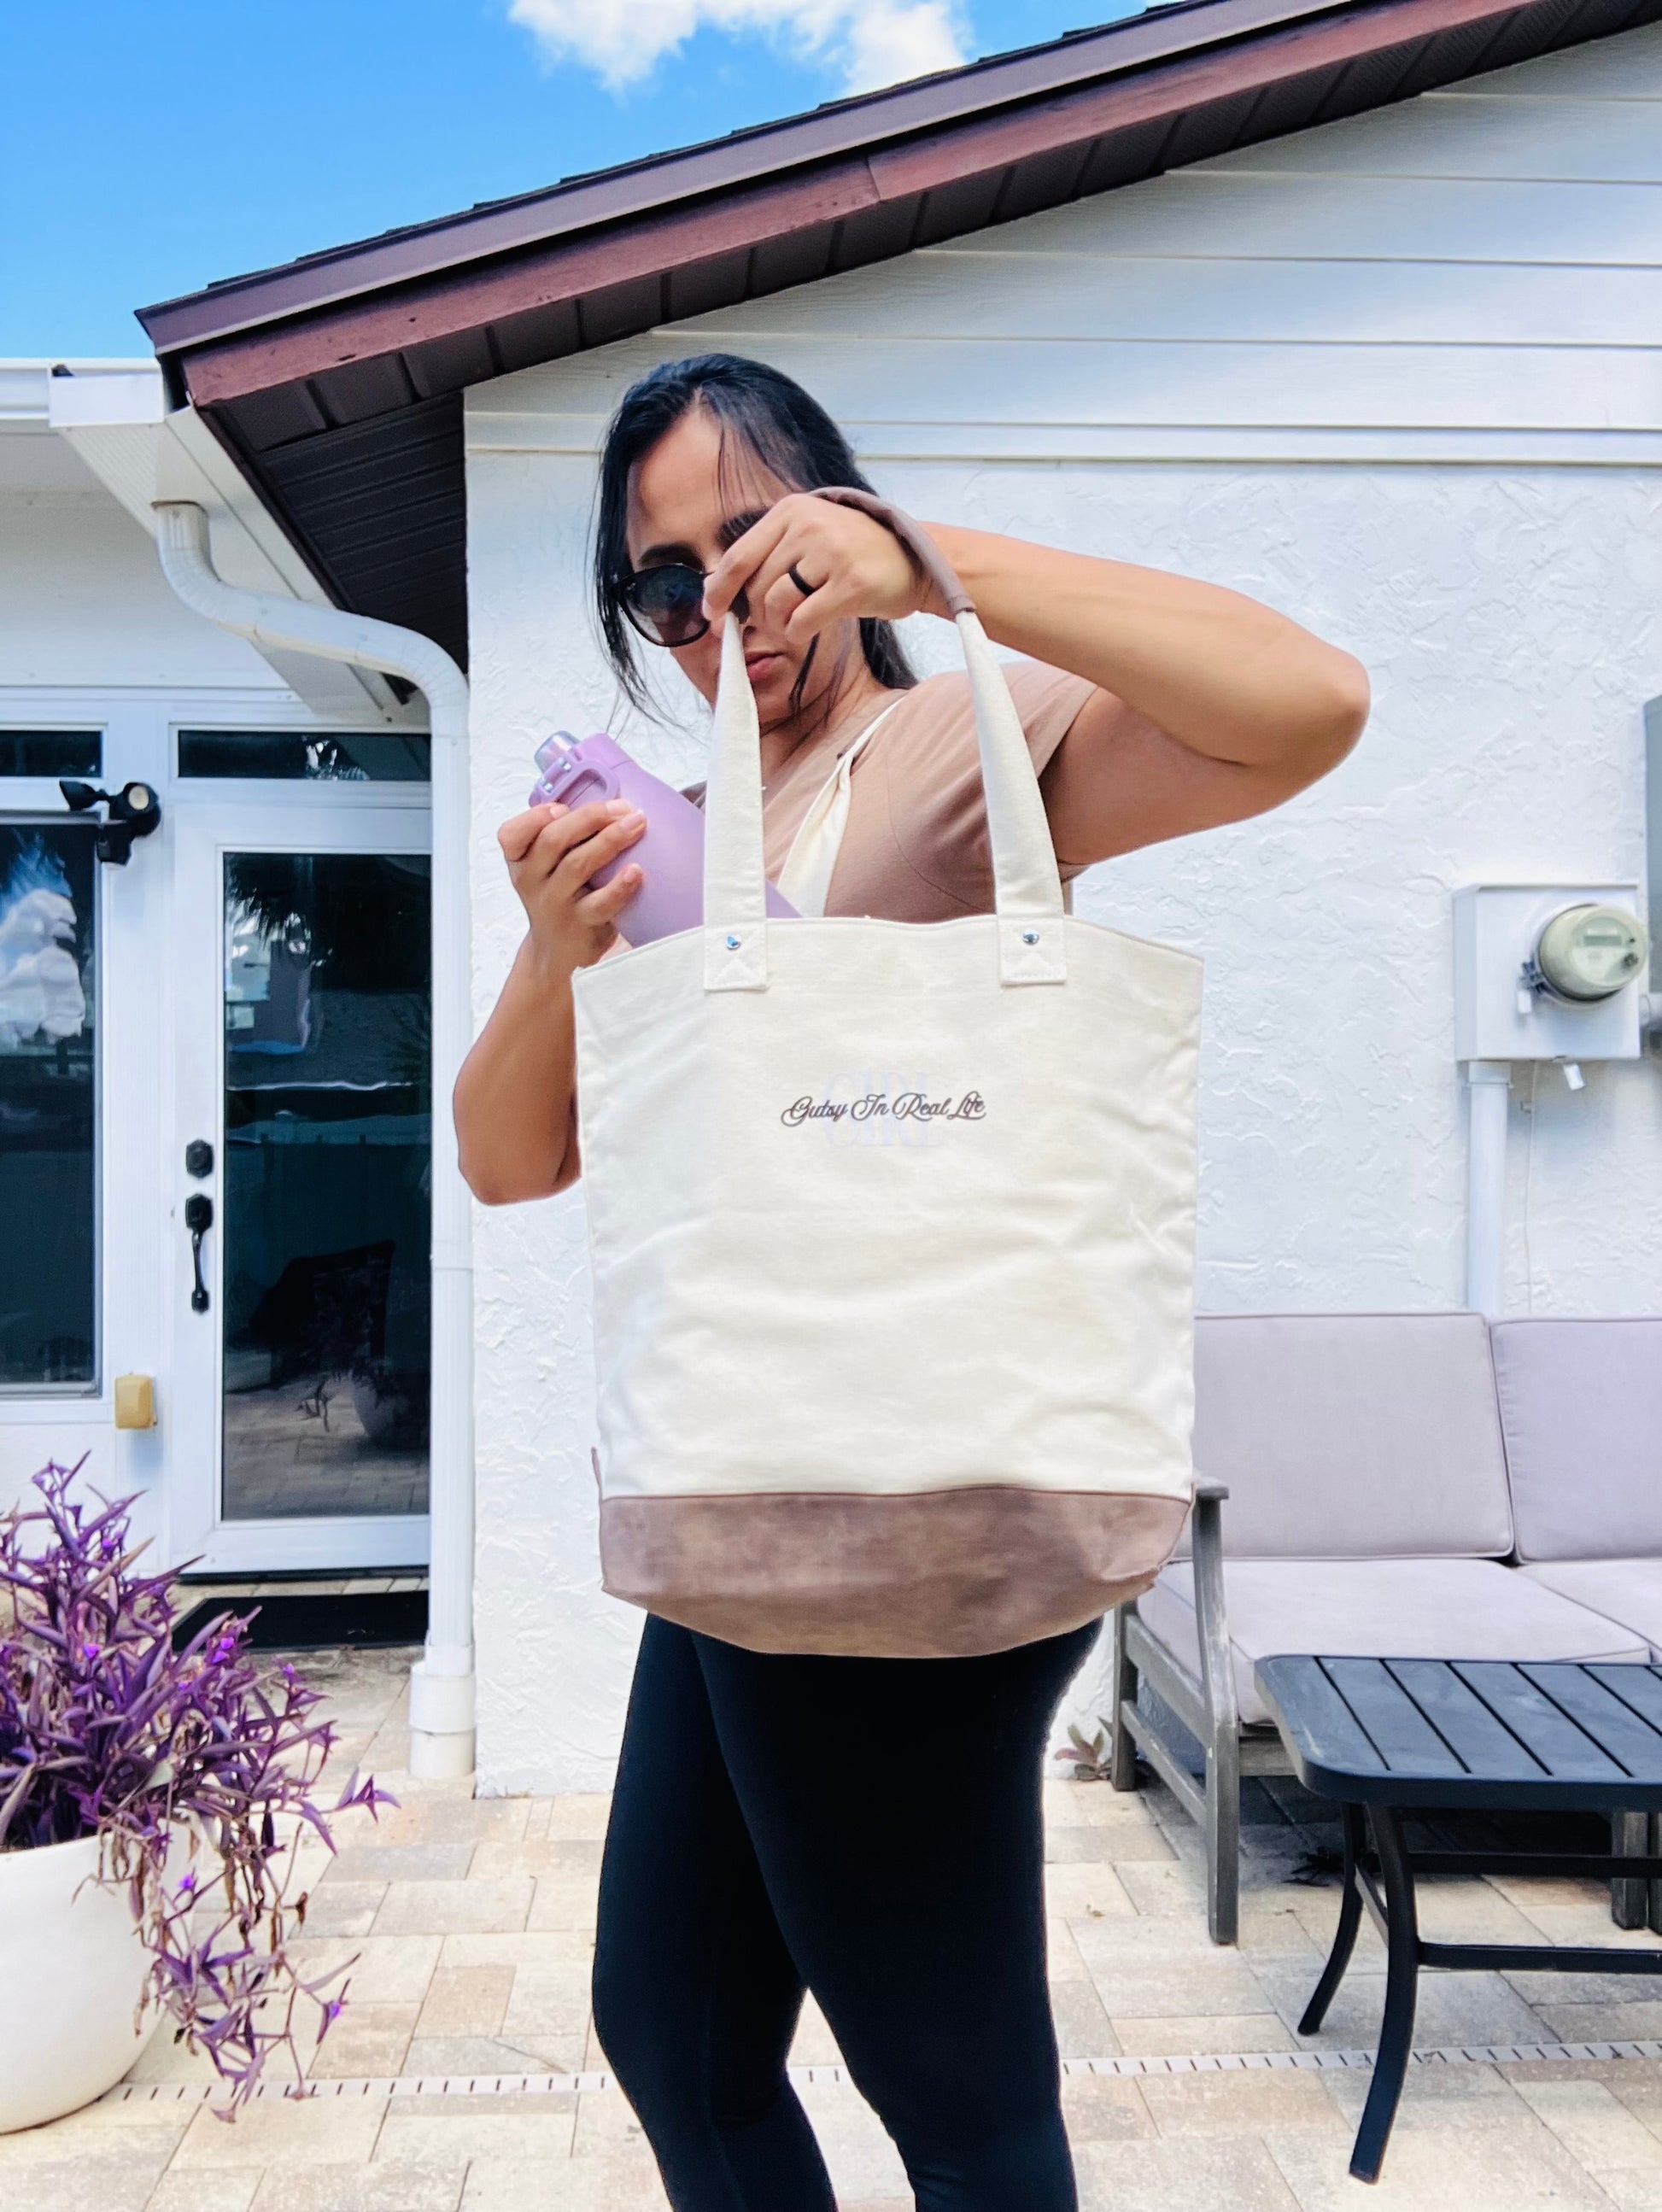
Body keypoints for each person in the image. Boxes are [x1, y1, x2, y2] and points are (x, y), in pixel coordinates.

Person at [454, 353, 1367, 2211]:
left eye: (759, 539)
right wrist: (558, 948)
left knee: (950, 2086)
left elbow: (1308, 705)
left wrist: (931, 565)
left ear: (837, 518)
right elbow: (507, 1157)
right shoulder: (667, 828)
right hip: (739, 1490)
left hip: (916, 1516)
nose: (720, 603)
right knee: (676, 2031)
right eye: (660, 581)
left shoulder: (958, 741)